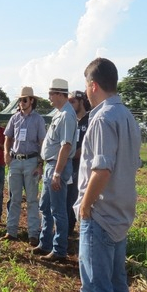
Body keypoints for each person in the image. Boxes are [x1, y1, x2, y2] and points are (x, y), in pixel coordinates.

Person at [64, 57, 141, 292]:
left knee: (97, 291)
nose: (85, 90)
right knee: (116, 284)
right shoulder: (128, 117)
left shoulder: (101, 119)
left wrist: (85, 206)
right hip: (121, 214)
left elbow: (102, 168)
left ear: (93, 86)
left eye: (85, 85)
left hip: (100, 214)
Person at [33, 78, 77, 260]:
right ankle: (45, 243)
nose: (49, 97)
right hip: (51, 165)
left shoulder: (67, 115)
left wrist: (57, 173)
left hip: (57, 166)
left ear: (60, 94)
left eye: (51, 94)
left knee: (58, 209)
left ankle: (59, 250)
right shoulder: (60, 113)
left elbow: (65, 146)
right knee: (45, 205)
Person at [3, 87, 47, 245]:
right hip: (15, 161)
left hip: (31, 162)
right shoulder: (14, 118)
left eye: (24, 100)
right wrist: (6, 153)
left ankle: (33, 234)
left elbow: (43, 143)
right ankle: (11, 231)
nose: (21, 103)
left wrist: (40, 164)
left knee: (31, 200)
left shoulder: (38, 120)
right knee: (14, 198)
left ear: (31, 101)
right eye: (20, 100)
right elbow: (8, 137)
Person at [66, 90, 91, 235]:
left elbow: (87, 146)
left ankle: (78, 230)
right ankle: (67, 230)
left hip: (83, 166)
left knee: (77, 197)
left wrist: (70, 155)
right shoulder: (70, 119)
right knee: (67, 197)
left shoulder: (90, 120)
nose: (70, 105)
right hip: (69, 164)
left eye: (72, 102)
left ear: (81, 102)